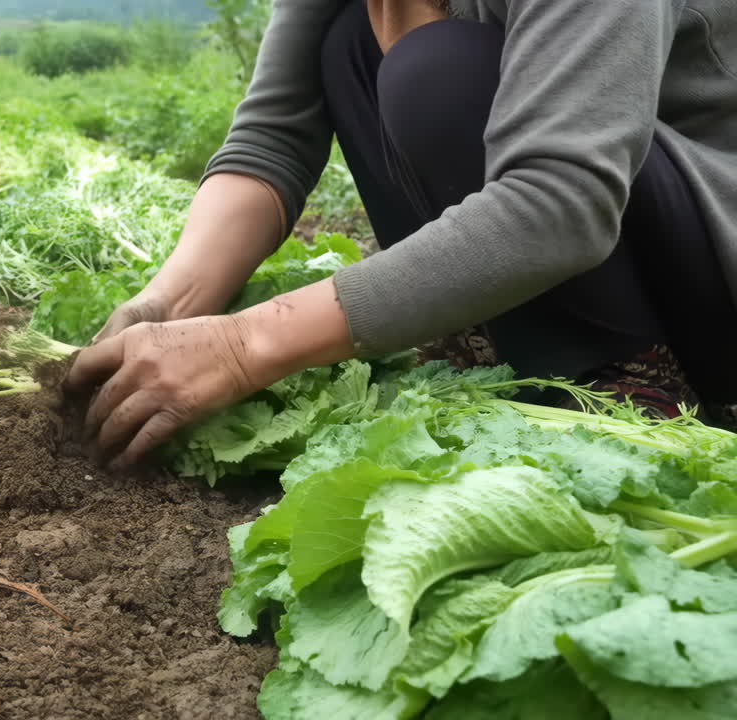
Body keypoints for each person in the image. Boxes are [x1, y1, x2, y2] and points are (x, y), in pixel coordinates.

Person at [65, 0, 737, 468]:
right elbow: (273, 138)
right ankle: (517, 353)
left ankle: (632, 390)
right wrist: (168, 303)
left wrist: (245, 345)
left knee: (434, 69)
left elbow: (560, 201)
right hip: (613, 231)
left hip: (713, 265)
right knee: (353, 43)